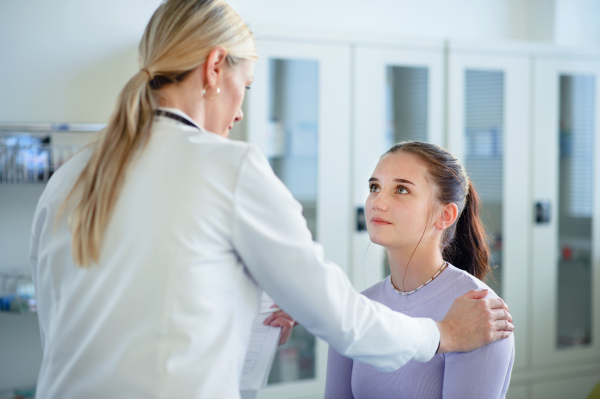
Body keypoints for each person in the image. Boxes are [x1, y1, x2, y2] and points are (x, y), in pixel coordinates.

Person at [28, 1, 513, 398]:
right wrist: (442, 334)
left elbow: (71, 332)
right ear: (216, 67)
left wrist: (248, 315)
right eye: (246, 87)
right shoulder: (227, 167)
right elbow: (342, 319)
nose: (239, 112)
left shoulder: (69, 176)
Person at [325, 141, 515, 399]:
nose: (377, 202)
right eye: (374, 187)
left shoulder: (479, 313)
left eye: (401, 189)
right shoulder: (358, 307)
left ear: (445, 216)